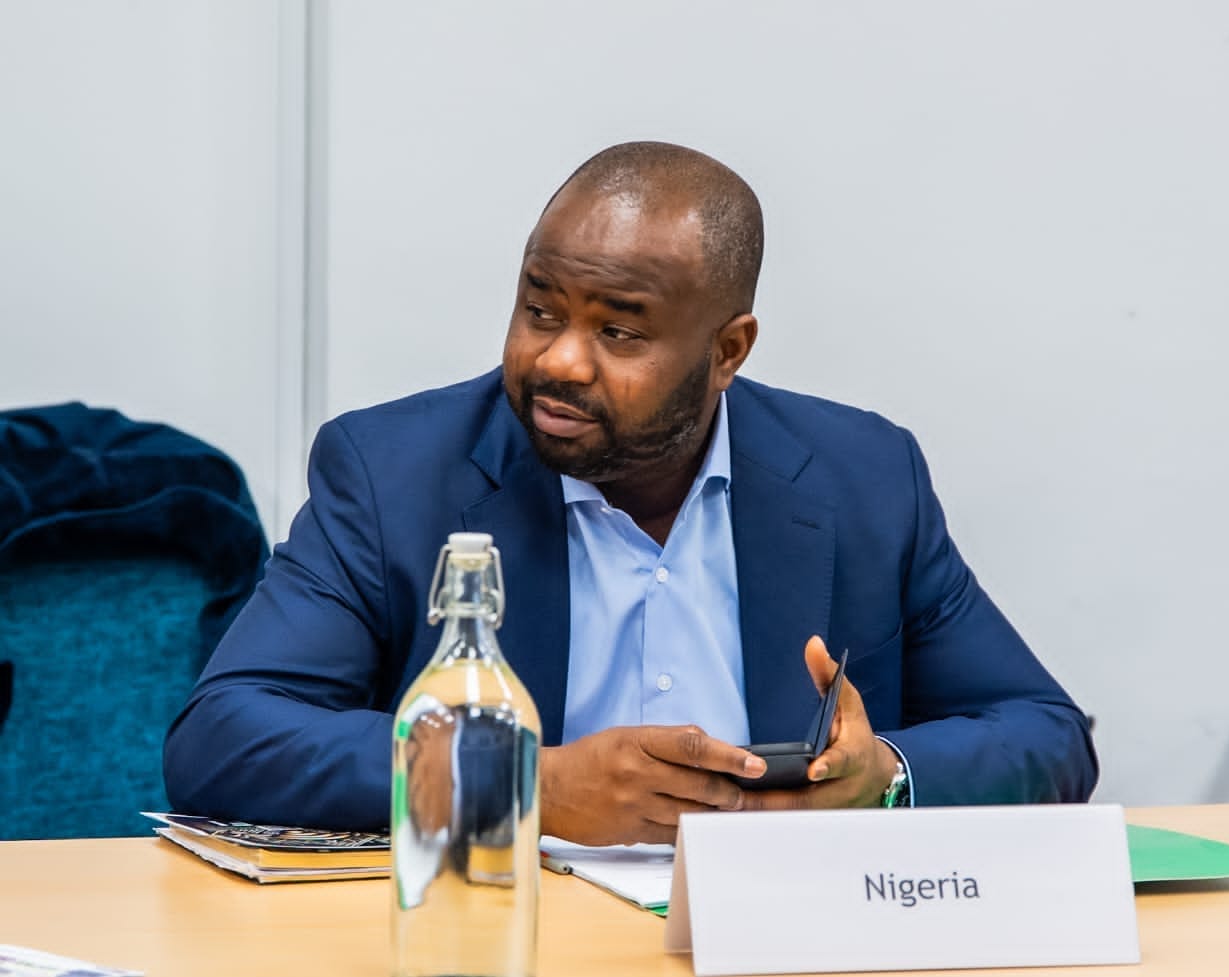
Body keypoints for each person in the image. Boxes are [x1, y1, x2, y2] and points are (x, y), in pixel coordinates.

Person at [164, 142, 1097, 844]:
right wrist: (527, 782)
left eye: (619, 332)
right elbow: (225, 738)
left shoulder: (863, 475)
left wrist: (883, 773)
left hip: (777, 940)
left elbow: (1048, 734)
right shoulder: (392, 471)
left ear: (727, 351)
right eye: (540, 309)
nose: (560, 360)